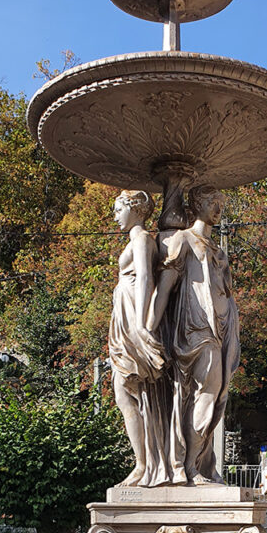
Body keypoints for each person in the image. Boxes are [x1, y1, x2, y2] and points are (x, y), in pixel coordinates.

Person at [149, 185, 240, 484]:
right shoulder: (184, 240)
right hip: (195, 329)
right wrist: (147, 328)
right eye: (212, 201)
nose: (218, 208)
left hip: (222, 328)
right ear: (196, 204)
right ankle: (190, 467)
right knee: (204, 393)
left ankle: (200, 464)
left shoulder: (218, 250)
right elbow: (165, 287)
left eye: (221, 203)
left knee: (215, 396)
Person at [109, 190, 171, 486]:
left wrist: (143, 324)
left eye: (118, 209)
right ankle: (144, 463)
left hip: (133, 317)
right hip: (125, 318)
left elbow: (146, 278)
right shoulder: (137, 239)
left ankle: (144, 464)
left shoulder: (142, 239)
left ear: (134, 209)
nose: (114, 215)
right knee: (126, 391)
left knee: (128, 389)